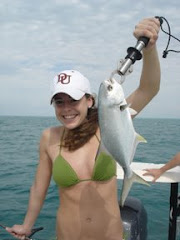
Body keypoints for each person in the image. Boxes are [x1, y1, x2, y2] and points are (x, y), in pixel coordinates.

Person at [6, 17, 161, 240]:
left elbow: (149, 88)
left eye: (74, 100)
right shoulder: (49, 137)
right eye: (59, 102)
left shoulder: (109, 122)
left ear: (89, 101)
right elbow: (39, 189)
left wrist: (150, 48)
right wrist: (27, 225)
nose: (66, 109)